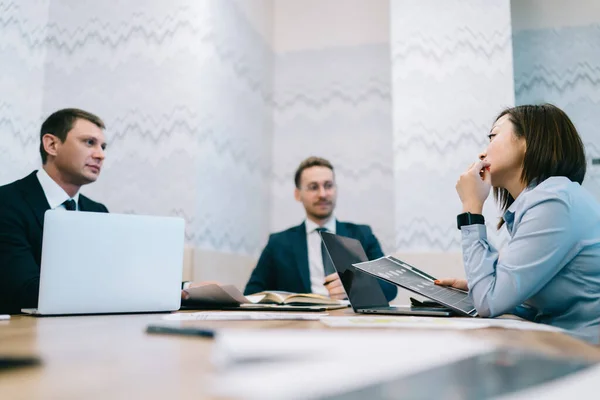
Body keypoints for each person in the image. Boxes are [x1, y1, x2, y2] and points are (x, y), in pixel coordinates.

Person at [0, 108, 200, 314]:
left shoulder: (96, 211)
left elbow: (118, 276)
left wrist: (187, 288)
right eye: (89, 142)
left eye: (103, 146)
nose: (100, 155)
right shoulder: (6, 202)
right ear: (52, 145)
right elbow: (22, 289)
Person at [436, 104, 600, 344]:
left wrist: (471, 208)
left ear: (527, 142)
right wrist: (478, 287)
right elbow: (540, 307)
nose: (482, 153)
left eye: (493, 136)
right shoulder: (548, 199)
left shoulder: (554, 201)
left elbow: (488, 303)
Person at [244, 156, 397, 301]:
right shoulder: (278, 243)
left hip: (350, 320)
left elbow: (390, 287)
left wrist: (356, 286)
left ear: (335, 189)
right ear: (298, 195)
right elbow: (252, 293)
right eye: (313, 187)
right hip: (300, 325)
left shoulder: (362, 235)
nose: (323, 194)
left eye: (328, 186)